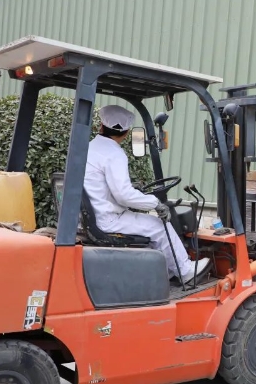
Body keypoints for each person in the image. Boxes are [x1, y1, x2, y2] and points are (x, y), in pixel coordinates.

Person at [84, 104, 211, 285]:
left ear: (101, 126)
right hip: (108, 219)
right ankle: (185, 271)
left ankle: (164, 272)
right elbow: (123, 195)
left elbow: (105, 186)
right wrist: (155, 203)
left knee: (150, 230)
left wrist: (136, 191)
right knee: (159, 226)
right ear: (126, 132)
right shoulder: (114, 153)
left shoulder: (89, 148)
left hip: (95, 215)